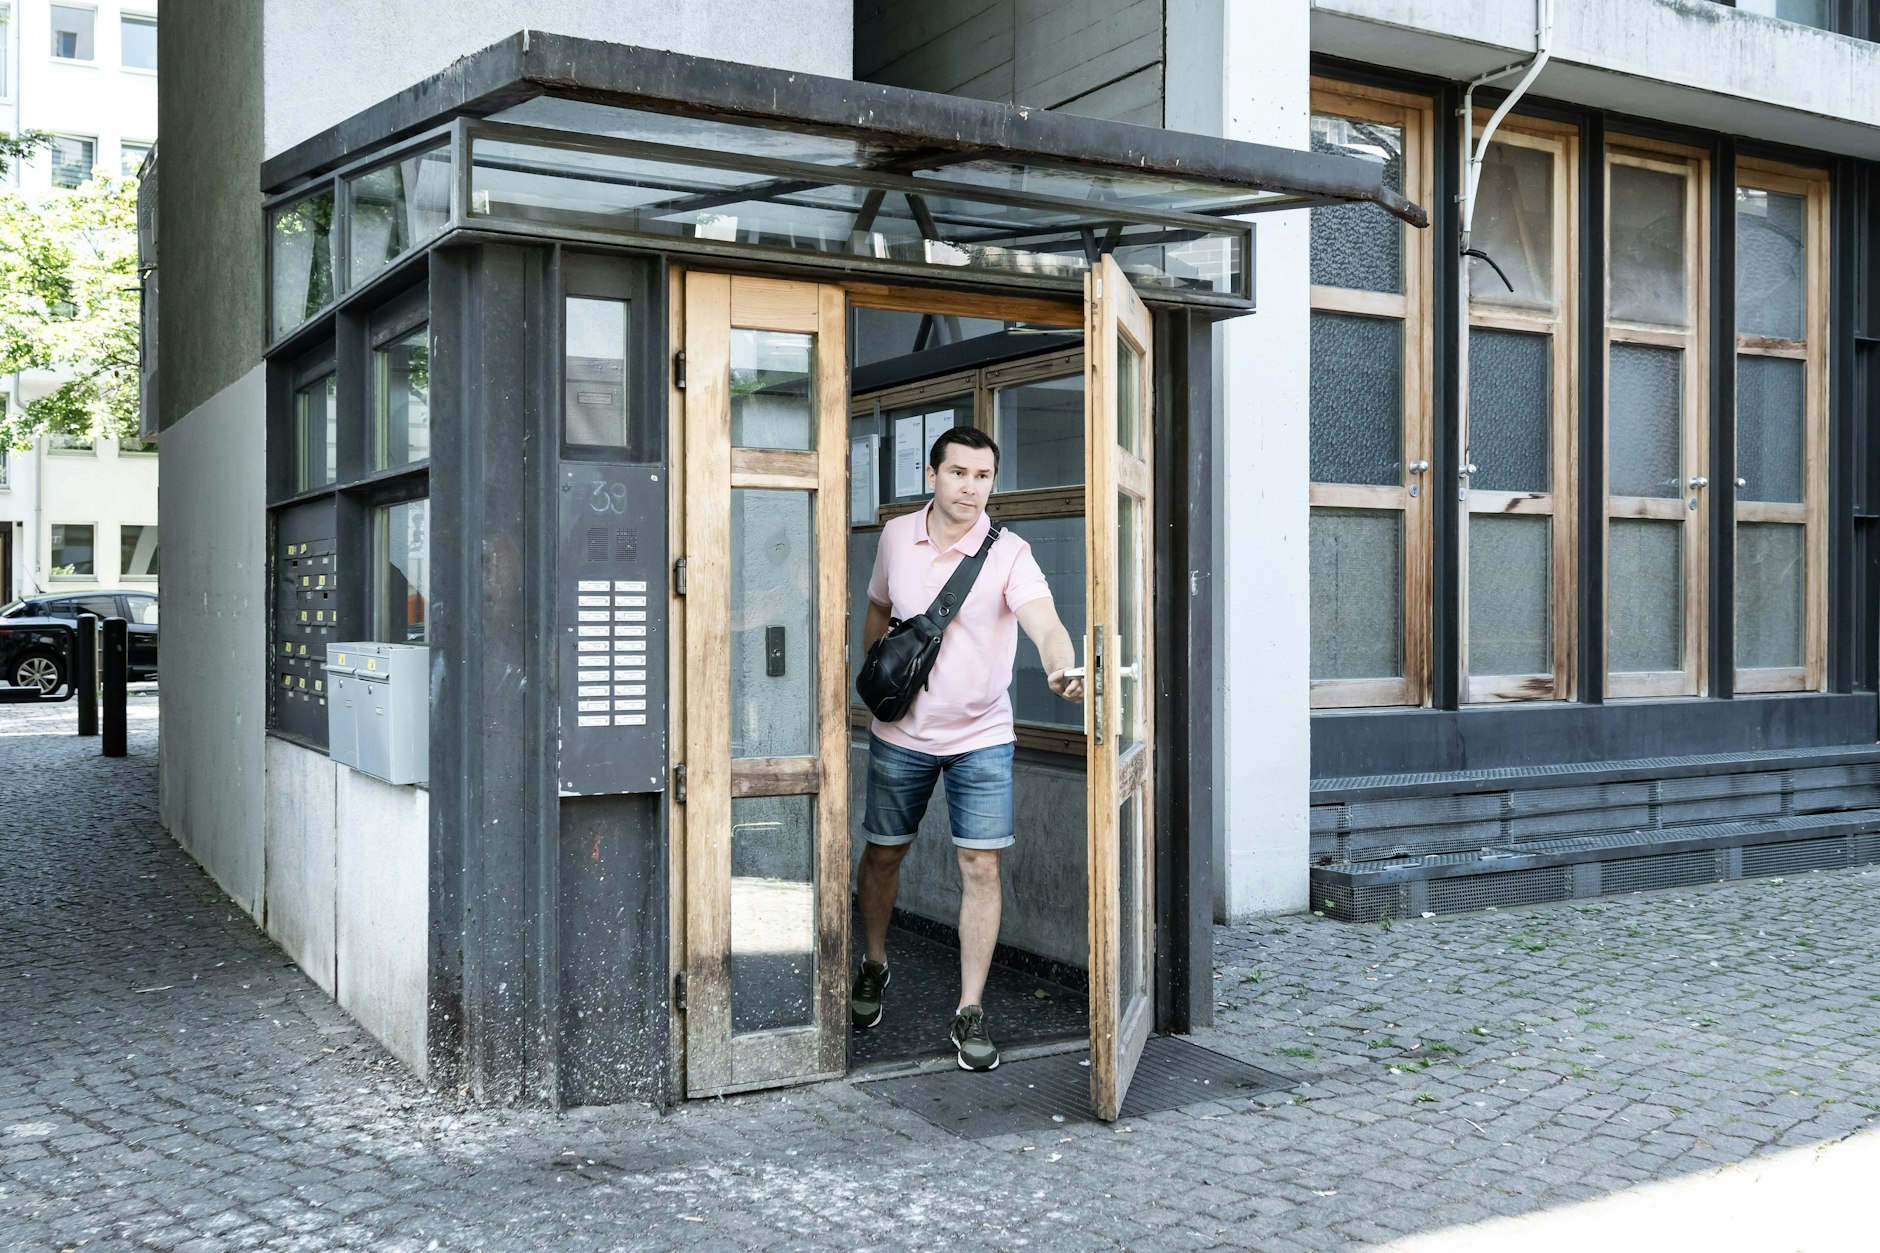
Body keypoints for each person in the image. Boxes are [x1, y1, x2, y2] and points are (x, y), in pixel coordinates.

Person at [852, 426, 1082, 1071]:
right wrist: (876, 679)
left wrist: (1061, 668)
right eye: (959, 473)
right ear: (932, 475)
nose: (971, 488)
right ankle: (874, 961)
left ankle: (970, 1007)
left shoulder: (1009, 553)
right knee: (884, 853)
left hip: (982, 735)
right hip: (900, 734)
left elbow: (1045, 623)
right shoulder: (897, 536)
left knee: (981, 866)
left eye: (983, 477)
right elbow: (877, 609)